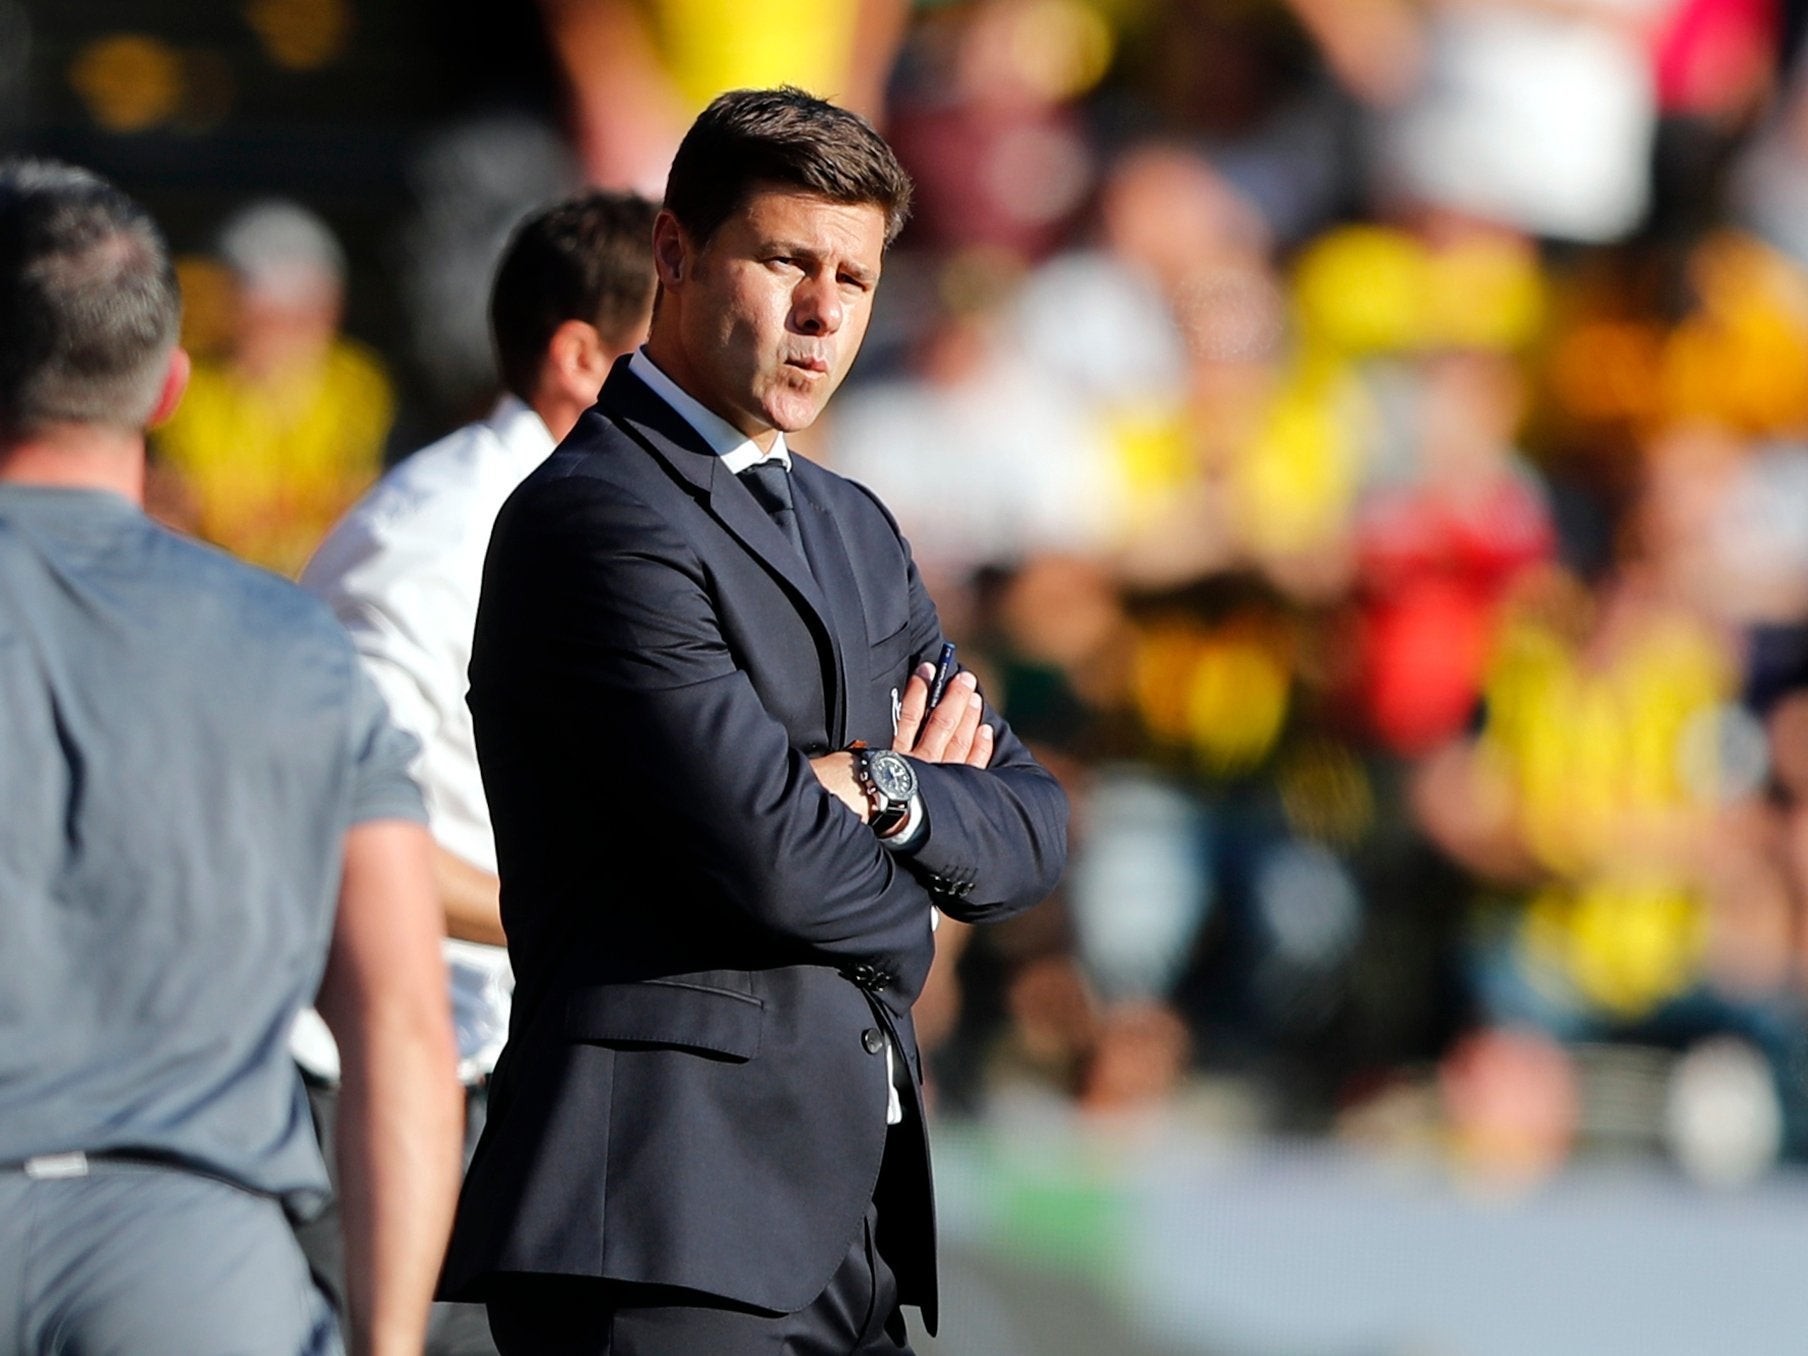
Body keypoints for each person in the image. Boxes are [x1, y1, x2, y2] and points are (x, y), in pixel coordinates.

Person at [438, 86, 1070, 1353]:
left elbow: (1031, 831)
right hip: (660, 1216)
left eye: (856, 276)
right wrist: (911, 859)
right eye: (786, 259)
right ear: (673, 255)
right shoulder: (592, 518)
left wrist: (877, 787)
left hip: (848, 1225)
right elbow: (777, 863)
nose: (823, 312)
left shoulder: (853, 524)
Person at [0, 158, 463, 1356]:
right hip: (196, 1260)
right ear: (168, 387)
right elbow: (400, 1025)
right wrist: (390, 1342)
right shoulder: (298, 650)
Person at [295, 189, 658, 1352]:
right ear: (580, 361)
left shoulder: (609, 525)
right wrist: (587, 920)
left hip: (515, 1059)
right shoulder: (428, 550)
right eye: (682, 346)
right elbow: (343, 843)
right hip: (383, 1081)